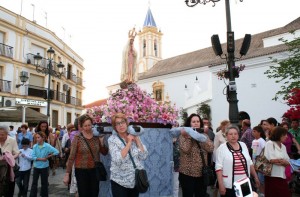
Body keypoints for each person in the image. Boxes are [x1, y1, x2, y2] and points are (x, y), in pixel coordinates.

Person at [63, 114, 108, 197]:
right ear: (81, 126)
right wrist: (67, 174)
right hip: (81, 171)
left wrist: (101, 142)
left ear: (92, 124)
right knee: (84, 194)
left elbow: (104, 152)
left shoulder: (96, 137)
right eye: (85, 126)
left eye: (89, 125)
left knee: (94, 194)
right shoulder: (77, 138)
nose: (88, 128)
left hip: (94, 171)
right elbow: (71, 157)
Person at [108, 113, 148, 197]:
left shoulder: (134, 136)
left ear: (126, 123)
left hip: (134, 180)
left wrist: (137, 140)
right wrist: (129, 142)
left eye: (122, 122)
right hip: (119, 181)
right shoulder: (112, 140)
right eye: (117, 123)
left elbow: (143, 156)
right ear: (115, 127)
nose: (121, 125)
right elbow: (118, 160)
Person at [215, 125, 259, 197]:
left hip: (244, 183)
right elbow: (218, 168)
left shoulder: (243, 145)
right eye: (230, 134)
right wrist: (221, 184)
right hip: (229, 185)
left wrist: (255, 177)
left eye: (235, 134)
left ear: (238, 135)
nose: (233, 136)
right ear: (226, 136)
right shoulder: (222, 148)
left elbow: (250, 162)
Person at [178, 113, 214, 197]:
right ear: (189, 123)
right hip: (187, 174)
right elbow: (186, 149)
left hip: (202, 173)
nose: (196, 123)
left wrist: (200, 137)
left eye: (198, 121)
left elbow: (210, 148)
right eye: (193, 121)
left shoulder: (204, 135)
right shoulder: (183, 135)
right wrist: (190, 136)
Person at [30, 131, 59, 197]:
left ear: (43, 138)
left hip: (44, 167)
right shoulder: (35, 146)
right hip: (36, 167)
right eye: (36, 138)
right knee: (34, 183)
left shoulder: (47, 146)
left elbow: (56, 152)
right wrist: (42, 159)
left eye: (38, 137)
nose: (37, 139)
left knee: (44, 183)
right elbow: (33, 157)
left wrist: (49, 156)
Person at [264, 126, 291, 197]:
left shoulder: (283, 146)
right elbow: (271, 159)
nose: (286, 137)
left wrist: (283, 162)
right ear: (279, 135)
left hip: (282, 175)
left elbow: (288, 161)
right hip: (272, 176)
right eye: (284, 135)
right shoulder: (270, 144)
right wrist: (283, 162)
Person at [0, 125, 20, 197]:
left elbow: (17, 153)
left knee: (9, 188)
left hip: (9, 168)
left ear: (7, 134)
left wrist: (10, 157)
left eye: (2, 135)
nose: (0, 136)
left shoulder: (12, 140)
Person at [251, 126, 266, 195]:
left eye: (255, 131)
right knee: (256, 178)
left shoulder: (262, 141)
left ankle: (263, 193)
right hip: (254, 162)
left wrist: (259, 157)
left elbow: (264, 150)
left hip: (260, 163)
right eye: (253, 131)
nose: (253, 133)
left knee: (261, 179)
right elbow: (253, 151)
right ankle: (259, 192)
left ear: (259, 132)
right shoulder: (253, 141)